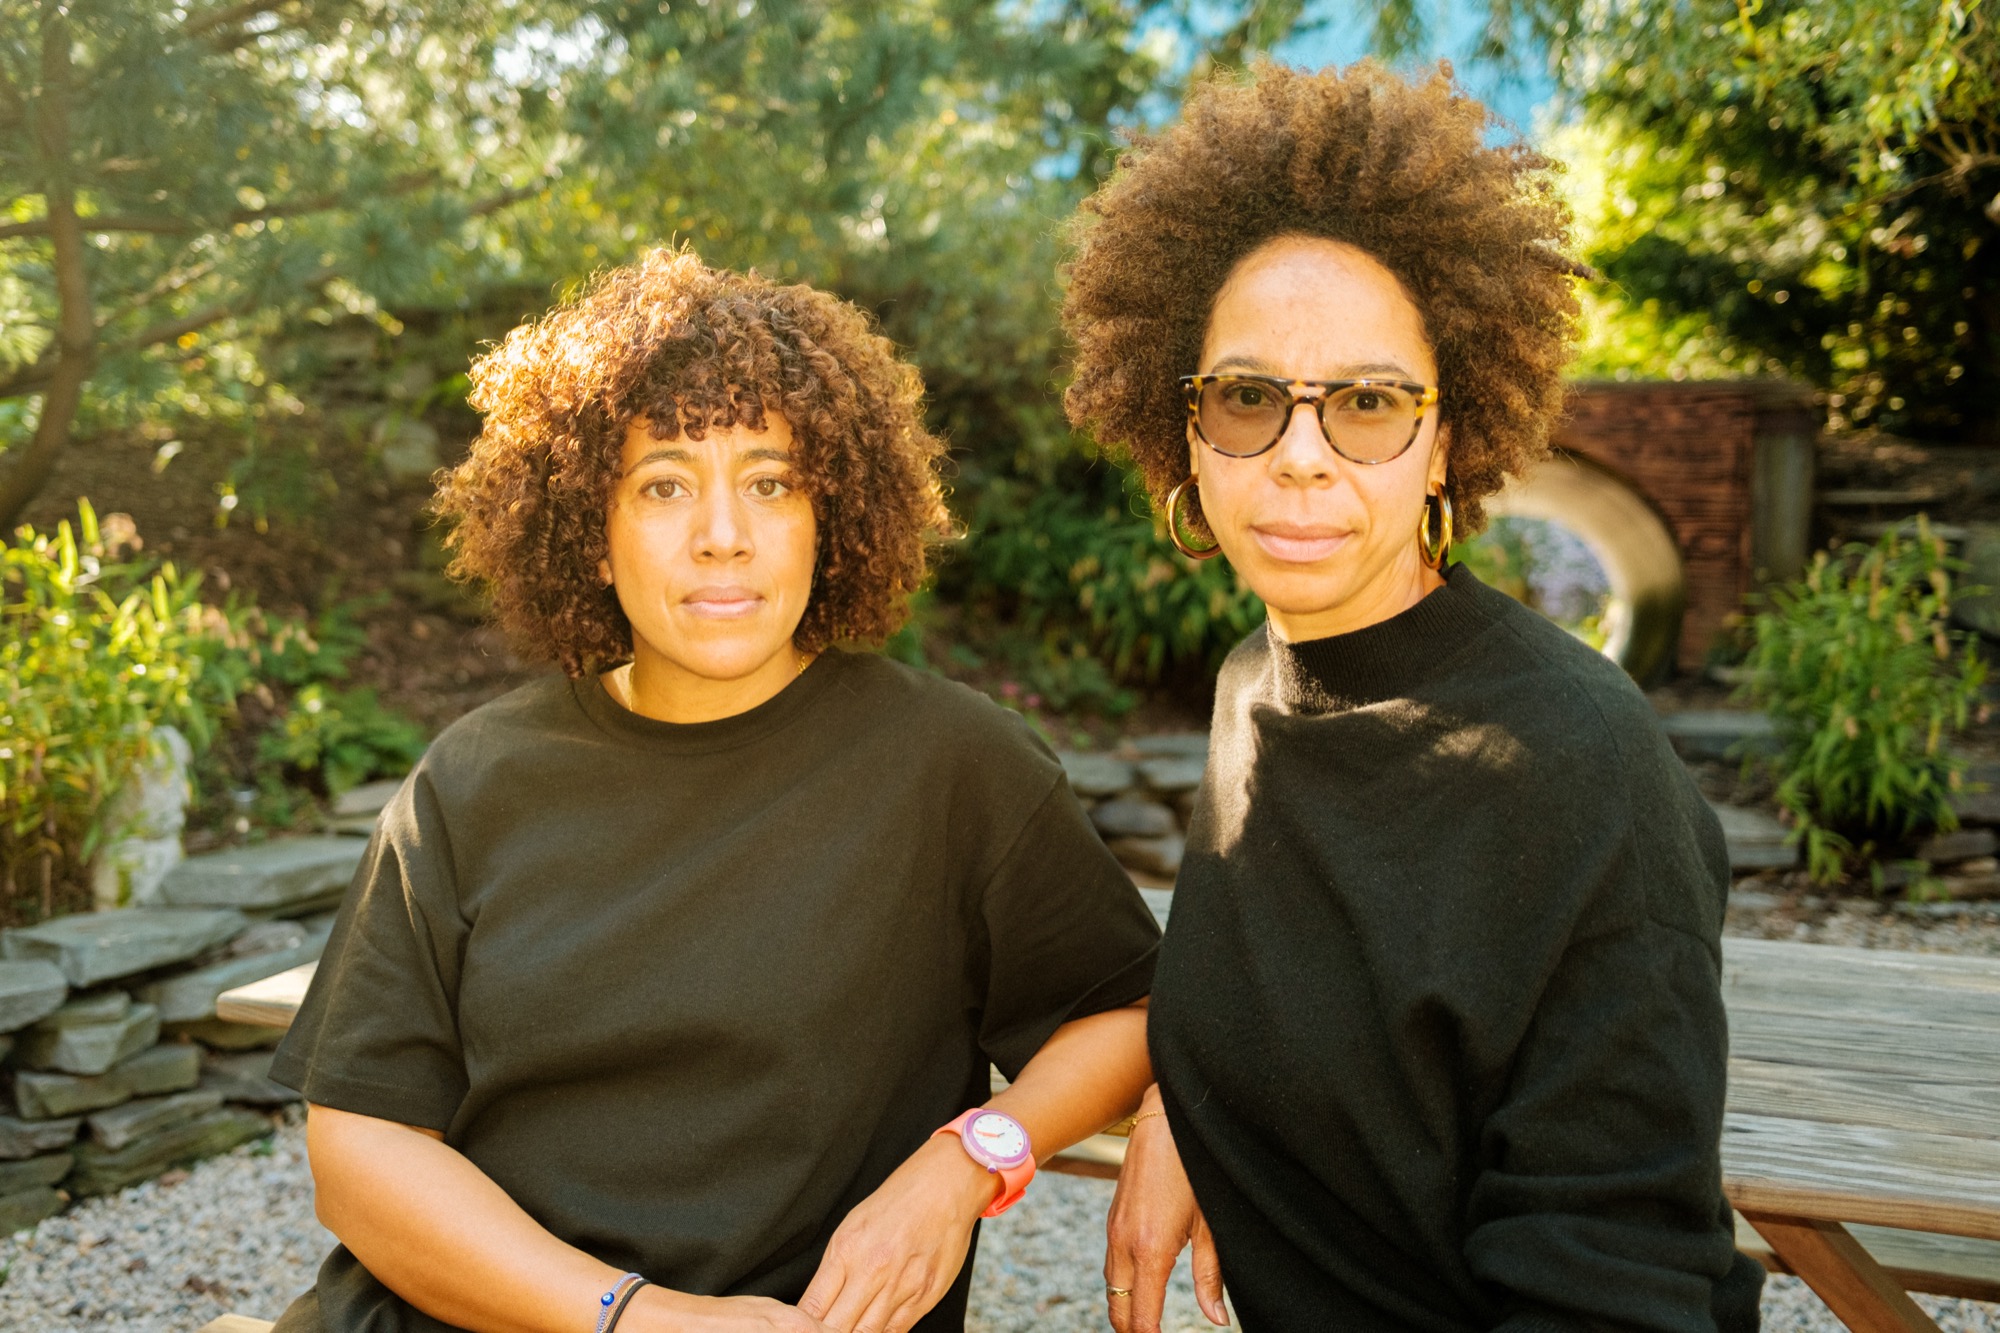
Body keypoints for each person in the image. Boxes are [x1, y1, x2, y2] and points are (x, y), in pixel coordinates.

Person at [268, 249, 1161, 1333]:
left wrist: (969, 1158)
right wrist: (637, 1320)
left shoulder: (950, 766)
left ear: (829, 514)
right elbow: (358, 1150)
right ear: (588, 535)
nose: (722, 534)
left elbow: (1126, 1009)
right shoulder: (470, 781)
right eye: (663, 484)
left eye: (770, 481)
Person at [1061, 62, 1764, 1333]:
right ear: (1184, 430)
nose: (1299, 458)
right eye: (1246, 397)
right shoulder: (1249, 693)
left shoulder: (1576, 765)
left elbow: (1611, 1288)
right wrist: (1186, 1096)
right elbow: (1302, 986)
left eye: (1370, 403)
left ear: (1446, 437)